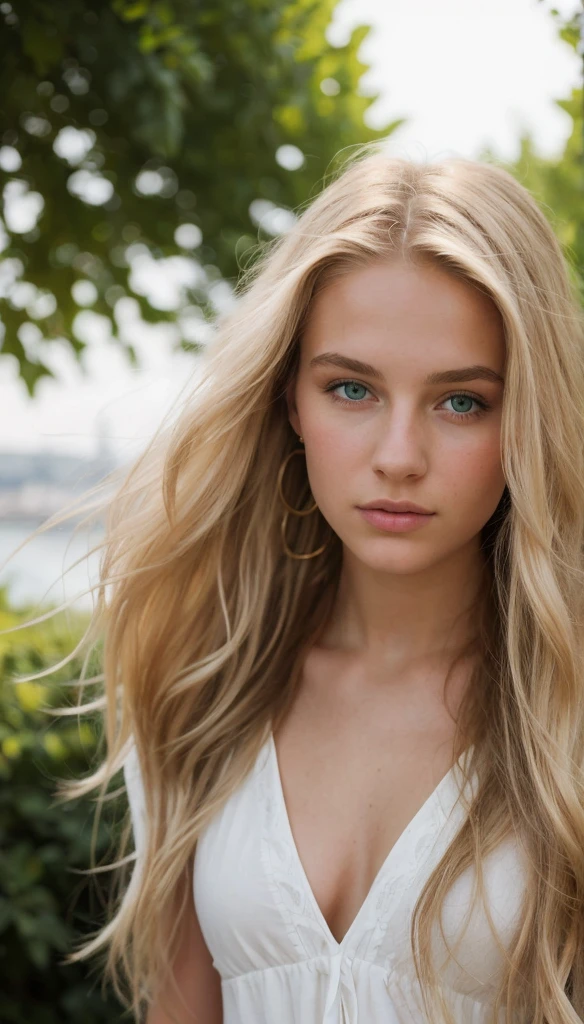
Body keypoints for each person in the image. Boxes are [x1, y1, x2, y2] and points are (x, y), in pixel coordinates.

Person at [24, 146, 584, 1023]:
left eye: (461, 401)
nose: (399, 457)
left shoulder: (567, 714)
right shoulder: (202, 690)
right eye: (352, 389)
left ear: (531, 416)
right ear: (291, 400)